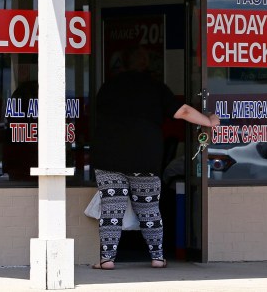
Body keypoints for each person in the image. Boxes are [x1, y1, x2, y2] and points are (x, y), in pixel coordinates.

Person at [90, 47, 219, 270]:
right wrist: (209, 121)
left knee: (111, 210)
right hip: (145, 158)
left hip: (109, 156)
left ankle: (107, 260)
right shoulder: (154, 86)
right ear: (145, 64)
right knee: (149, 210)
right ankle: (158, 257)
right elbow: (184, 111)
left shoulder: (108, 86)